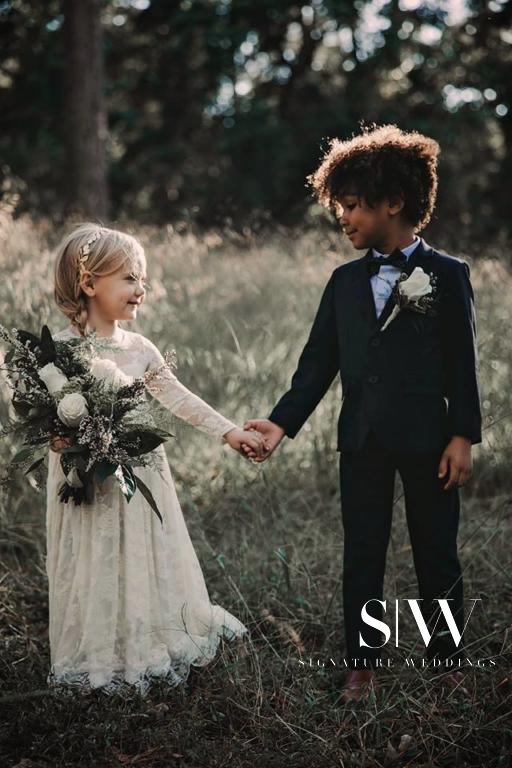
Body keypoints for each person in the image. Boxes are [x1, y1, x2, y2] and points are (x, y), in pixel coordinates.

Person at [244, 124, 482, 703]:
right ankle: (362, 662)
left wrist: (463, 436)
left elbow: (463, 362)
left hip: (430, 438)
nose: (343, 218)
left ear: (394, 203)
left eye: (352, 205)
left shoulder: (447, 275)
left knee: (436, 551)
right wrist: (282, 421)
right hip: (363, 439)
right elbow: (318, 360)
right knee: (364, 551)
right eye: (339, 206)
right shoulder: (344, 282)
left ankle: (447, 658)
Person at [46, 222, 265, 697]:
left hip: (140, 476)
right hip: (85, 481)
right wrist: (65, 440)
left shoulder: (139, 349)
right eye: (128, 279)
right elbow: (46, 420)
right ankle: (100, 652)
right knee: (95, 557)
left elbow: (180, 399)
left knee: (142, 552)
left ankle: (147, 638)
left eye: (141, 279)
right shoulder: (58, 352)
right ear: (88, 283)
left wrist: (228, 431)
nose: (140, 289)